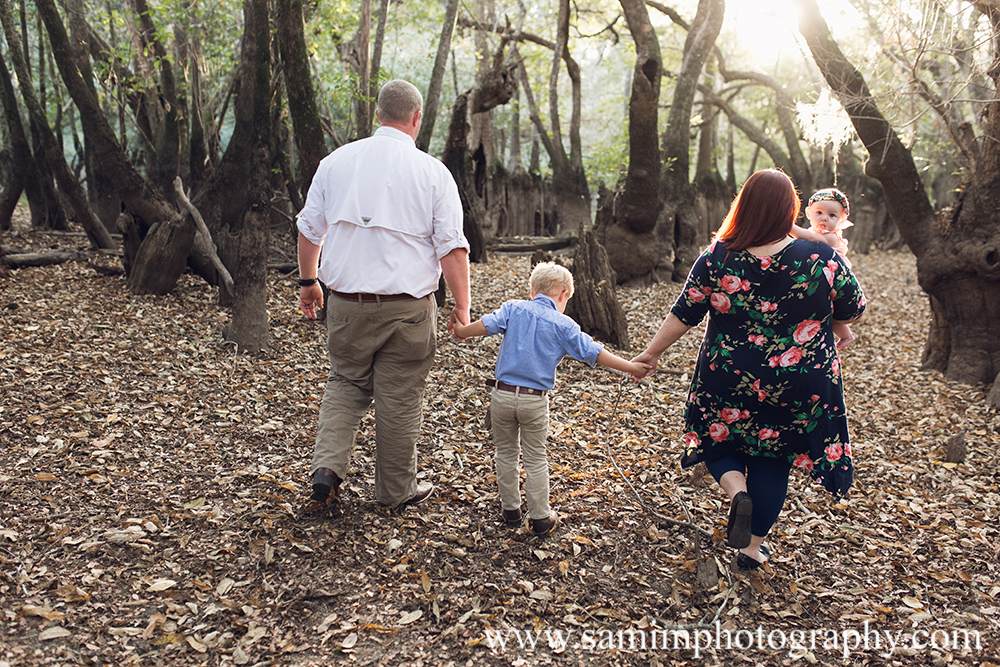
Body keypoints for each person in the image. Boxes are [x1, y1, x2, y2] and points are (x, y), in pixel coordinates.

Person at [632, 169, 866, 571]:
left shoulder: (718, 255)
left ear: (744, 204)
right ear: (790, 210)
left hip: (728, 373)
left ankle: (736, 491)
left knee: (719, 440)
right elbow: (854, 309)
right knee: (772, 461)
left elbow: (684, 311)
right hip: (797, 382)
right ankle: (752, 548)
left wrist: (650, 354)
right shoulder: (823, 258)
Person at [296, 79, 471, 512]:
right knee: (400, 397)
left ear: (377, 115)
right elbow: (451, 247)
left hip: (346, 305)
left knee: (345, 384)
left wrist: (308, 282)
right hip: (408, 312)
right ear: (417, 119)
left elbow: (308, 229)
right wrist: (463, 306)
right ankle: (395, 493)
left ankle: (326, 471)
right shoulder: (432, 173)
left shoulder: (335, 163)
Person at [453, 262, 648, 537]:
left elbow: (485, 325)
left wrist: (461, 331)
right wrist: (630, 366)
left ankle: (510, 510)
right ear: (564, 294)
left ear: (533, 291)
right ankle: (541, 518)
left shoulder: (513, 308)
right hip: (534, 401)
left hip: (502, 394)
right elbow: (593, 352)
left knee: (505, 453)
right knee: (535, 458)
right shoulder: (564, 324)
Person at [789, 188, 856, 348]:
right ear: (808, 213)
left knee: (828, 311)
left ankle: (847, 336)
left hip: (834, 279)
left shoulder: (832, 237)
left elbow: (810, 238)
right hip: (821, 276)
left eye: (832, 215)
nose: (824, 218)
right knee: (825, 311)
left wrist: (787, 227)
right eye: (819, 212)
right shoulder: (813, 232)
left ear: (841, 220)